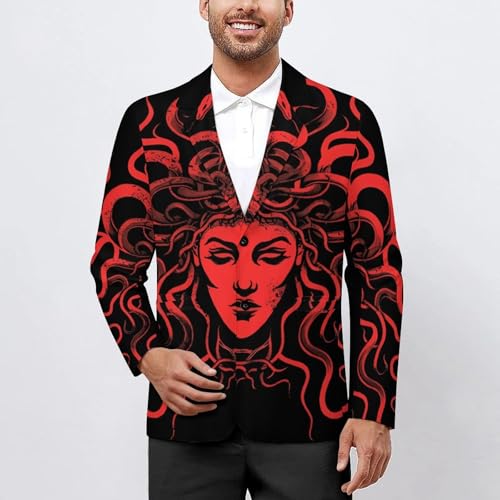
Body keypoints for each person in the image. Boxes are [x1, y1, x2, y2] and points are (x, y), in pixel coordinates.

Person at [89, 0, 404, 498]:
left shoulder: (348, 123)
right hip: (185, 422)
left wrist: (374, 406)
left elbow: (376, 271)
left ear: (289, 9)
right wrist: (146, 353)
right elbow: (114, 261)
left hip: (312, 421)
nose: (247, 5)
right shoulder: (149, 124)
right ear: (204, 5)